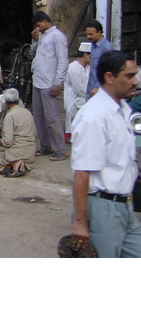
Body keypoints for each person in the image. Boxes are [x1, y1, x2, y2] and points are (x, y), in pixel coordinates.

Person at [70, 50, 141, 258]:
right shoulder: (94, 117)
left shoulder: (123, 110)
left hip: (125, 207)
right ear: (110, 77)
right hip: (102, 209)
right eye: (129, 76)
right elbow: (82, 173)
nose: (135, 81)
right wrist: (81, 222)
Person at [30, 11, 69, 161]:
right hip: (38, 81)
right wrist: (34, 40)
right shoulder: (43, 36)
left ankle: (60, 150)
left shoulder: (57, 36)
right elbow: (34, 54)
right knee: (39, 117)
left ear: (45, 21)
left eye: (38, 25)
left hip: (49, 83)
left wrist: (58, 83)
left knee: (52, 118)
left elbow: (62, 61)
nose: (37, 28)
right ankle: (46, 146)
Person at [0, 87, 36, 177]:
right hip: (30, 153)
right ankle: (17, 164)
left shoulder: (10, 116)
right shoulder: (27, 112)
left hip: (17, 153)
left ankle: (14, 164)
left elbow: (7, 142)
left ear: (6, 103)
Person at [64, 42, 91, 144]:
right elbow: (79, 89)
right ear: (85, 55)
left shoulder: (88, 68)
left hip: (84, 97)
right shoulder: (73, 68)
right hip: (75, 100)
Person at [85, 19, 114, 98]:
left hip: (100, 90)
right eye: (87, 34)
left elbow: (108, 70)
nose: (88, 37)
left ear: (99, 33)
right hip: (90, 88)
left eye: (91, 34)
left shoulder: (106, 47)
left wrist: (98, 87)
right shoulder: (93, 45)